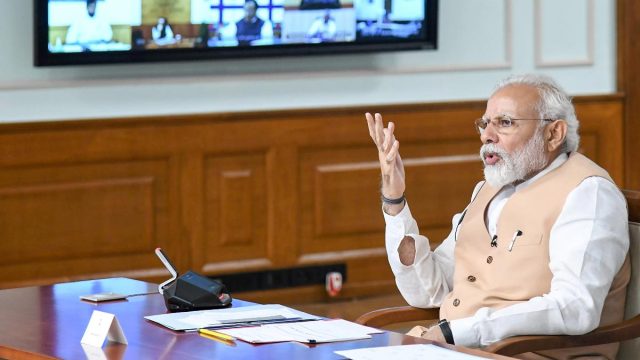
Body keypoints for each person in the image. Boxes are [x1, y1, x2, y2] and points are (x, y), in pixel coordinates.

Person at [365, 74, 630, 359]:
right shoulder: (487, 190)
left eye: (505, 123)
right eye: (485, 123)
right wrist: (395, 201)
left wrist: (459, 332)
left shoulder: (588, 194)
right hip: (458, 350)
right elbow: (430, 290)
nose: (486, 136)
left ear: (554, 134)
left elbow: (576, 308)